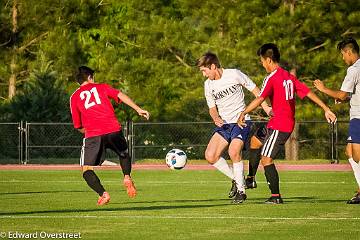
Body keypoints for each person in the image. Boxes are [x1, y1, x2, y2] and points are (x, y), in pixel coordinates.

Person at [238, 43, 337, 204]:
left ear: (269, 60)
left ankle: (275, 196)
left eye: (262, 61)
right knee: (255, 142)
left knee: (266, 159)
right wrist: (326, 108)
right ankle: (250, 178)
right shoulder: (288, 77)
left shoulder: (271, 77)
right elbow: (308, 92)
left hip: (280, 125)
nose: (262, 64)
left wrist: (244, 112)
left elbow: (260, 99)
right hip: (277, 122)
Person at [197, 52, 271, 204]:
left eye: (204, 71)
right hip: (224, 125)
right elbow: (212, 108)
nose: (204, 75)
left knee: (233, 151)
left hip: (240, 121)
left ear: (213, 66)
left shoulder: (234, 74)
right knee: (210, 155)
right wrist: (215, 117)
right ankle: (238, 179)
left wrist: (268, 109)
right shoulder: (208, 85)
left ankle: (241, 192)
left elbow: (257, 91)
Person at [70, 66, 150, 206]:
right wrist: (138, 109)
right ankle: (127, 176)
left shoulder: (75, 97)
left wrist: (88, 131)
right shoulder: (101, 87)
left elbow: (77, 125)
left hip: (93, 134)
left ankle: (103, 194)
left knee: (86, 169)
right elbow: (119, 95)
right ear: (89, 77)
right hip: (113, 129)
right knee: (123, 153)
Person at [313, 37, 360, 204]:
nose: (342, 58)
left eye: (342, 54)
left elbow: (341, 93)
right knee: (349, 152)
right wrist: (346, 99)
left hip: (358, 117)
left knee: (356, 155)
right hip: (356, 115)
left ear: (348, 52)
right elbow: (348, 95)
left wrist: (323, 88)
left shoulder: (354, 70)